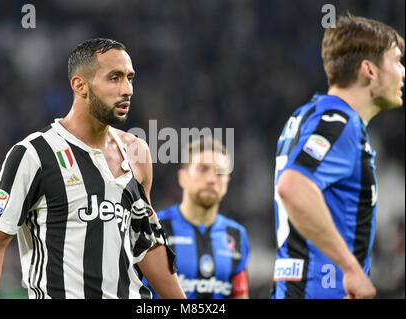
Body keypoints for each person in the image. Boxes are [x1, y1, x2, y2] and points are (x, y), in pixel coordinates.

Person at [0, 38, 186, 299]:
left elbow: (146, 244)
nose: (127, 89)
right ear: (80, 85)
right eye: (115, 78)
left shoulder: (137, 153)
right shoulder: (34, 154)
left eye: (130, 78)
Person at [272, 14, 404, 299]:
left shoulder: (305, 116)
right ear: (369, 70)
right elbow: (292, 186)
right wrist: (352, 270)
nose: (402, 71)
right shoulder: (340, 123)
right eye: (396, 60)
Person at [143, 137, 250, 299]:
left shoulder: (237, 235)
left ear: (227, 181)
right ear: (182, 177)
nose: (212, 179)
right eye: (202, 169)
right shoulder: (155, 227)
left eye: (220, 172)